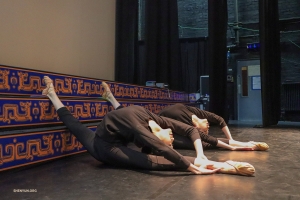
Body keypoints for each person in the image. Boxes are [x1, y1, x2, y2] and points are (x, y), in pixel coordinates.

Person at [42, 76, 255, 176]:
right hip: (104, 148)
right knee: (145, 161)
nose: (172, 140)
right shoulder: (141, 129)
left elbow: (190, 130)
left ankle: (109, 96)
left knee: (123, 115)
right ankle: (52, 94)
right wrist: (196, 168)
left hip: (120, 128)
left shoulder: (154, 119)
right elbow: (160, 151)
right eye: (171, 138)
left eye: (171, 139)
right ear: (156, 133)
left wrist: (201, 155)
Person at [101, 82, 268, 151]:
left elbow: (219, 121)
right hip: (158, 128)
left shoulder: (196, 113)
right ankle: (111, 98)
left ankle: (111, 98)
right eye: (207, 127)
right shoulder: (177, 116)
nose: (208, 127)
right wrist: (239, 146)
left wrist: (241, 143)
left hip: (157, 124)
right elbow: (206, 140)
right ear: (196, 127)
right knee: (129, 127)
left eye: (207, 127)